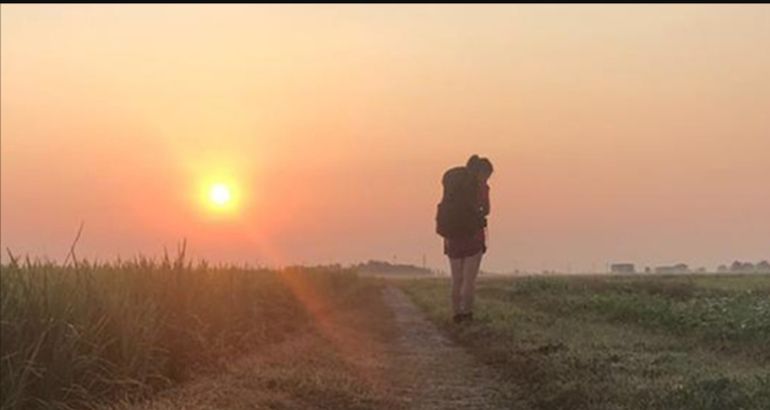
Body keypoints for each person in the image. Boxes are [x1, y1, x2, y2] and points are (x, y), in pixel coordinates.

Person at [442, 155, 493, 323]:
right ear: (483, 172)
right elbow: (487, 210)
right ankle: (467, 314)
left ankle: (456, 314)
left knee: (456, 280)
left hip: (452, 237)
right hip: (473, 237)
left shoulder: (454, 185)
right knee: (469, 280)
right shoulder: (481, 186)